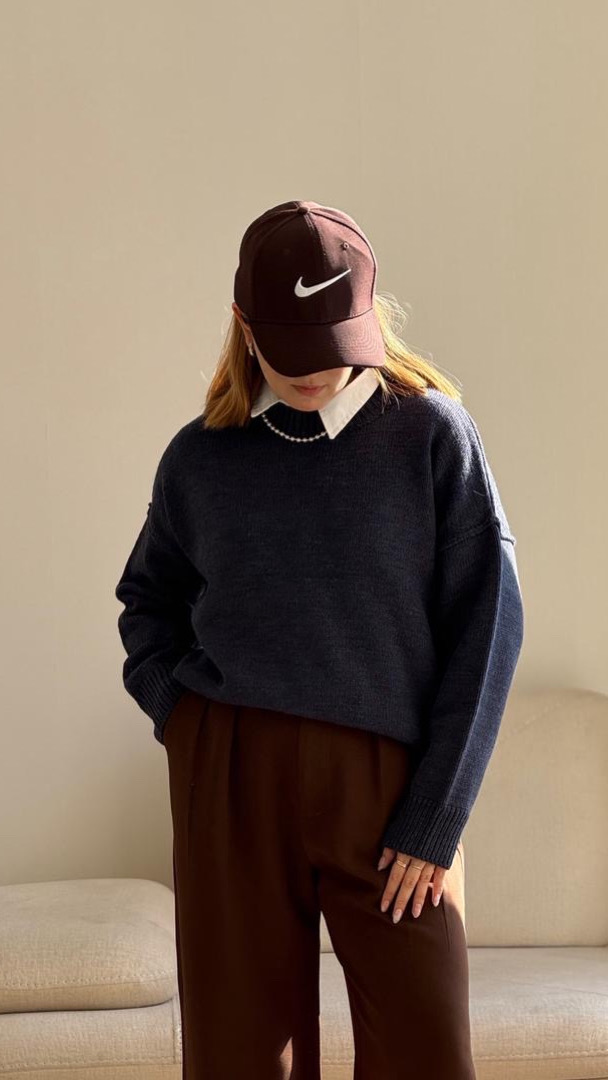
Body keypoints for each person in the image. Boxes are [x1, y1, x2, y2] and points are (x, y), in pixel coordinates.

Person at [115, 199, 524, 1079]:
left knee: (424, 1053)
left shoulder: (431, 436)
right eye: (292, 348)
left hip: (391, 788)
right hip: (230, 775)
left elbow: (489, 628)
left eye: (335, 343)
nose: (317, 372)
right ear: (245, 324)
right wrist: (184, 718)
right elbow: (147, 602)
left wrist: (437, 817)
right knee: (237, 1057)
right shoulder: (201, 458)